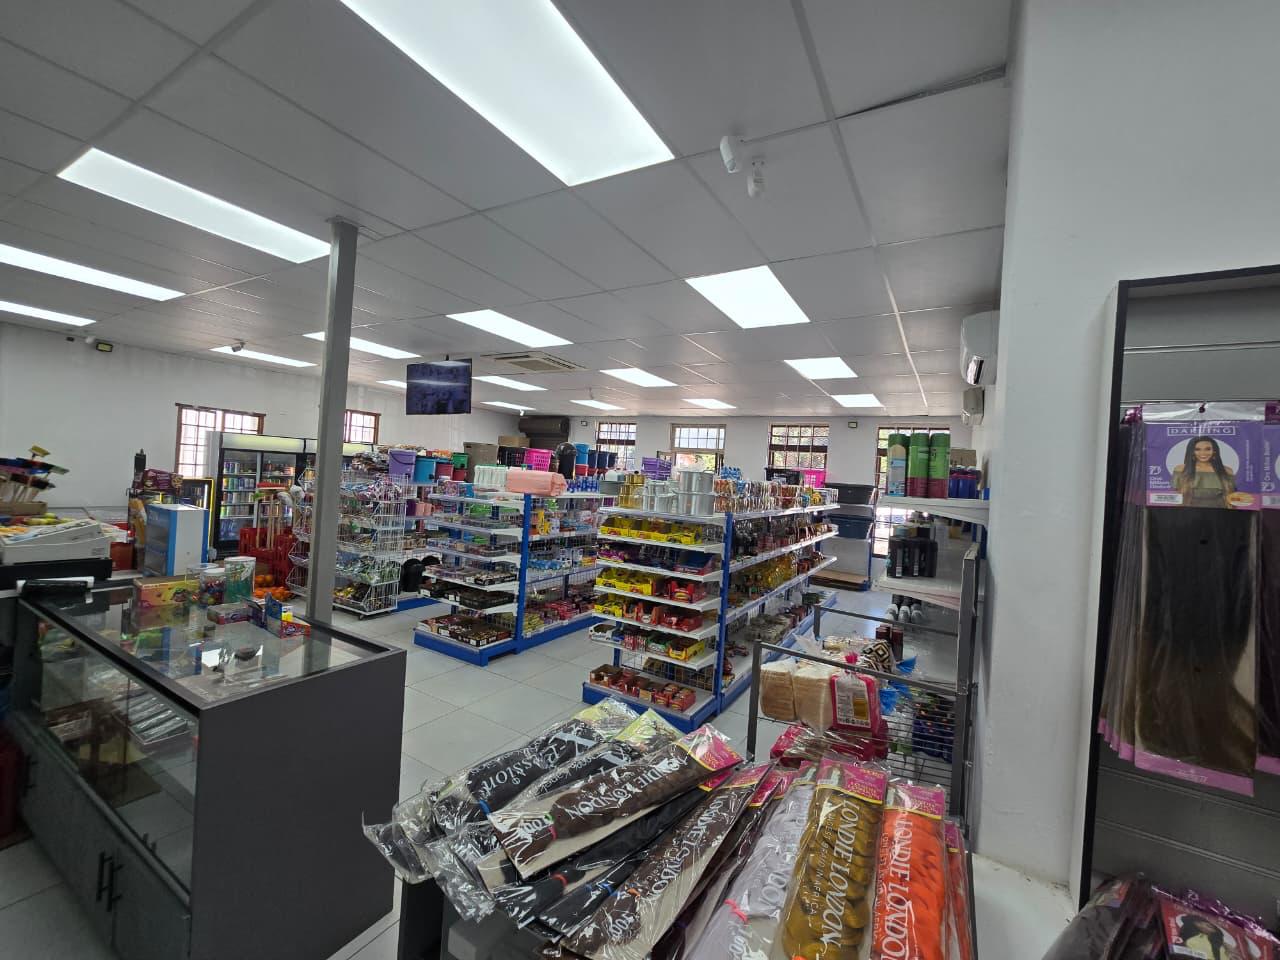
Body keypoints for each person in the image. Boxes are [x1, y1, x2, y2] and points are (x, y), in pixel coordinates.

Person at [1173, 436, 1237, 508]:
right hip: (1188, 511)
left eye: (1208, 449)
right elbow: (1176, 497)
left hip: (1220, 512)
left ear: (1214, 451)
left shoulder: (1227, 471)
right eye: (1197, 449)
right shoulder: (1180, 469)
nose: (1203, 453)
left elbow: (1231, 498)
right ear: (1192, 452)